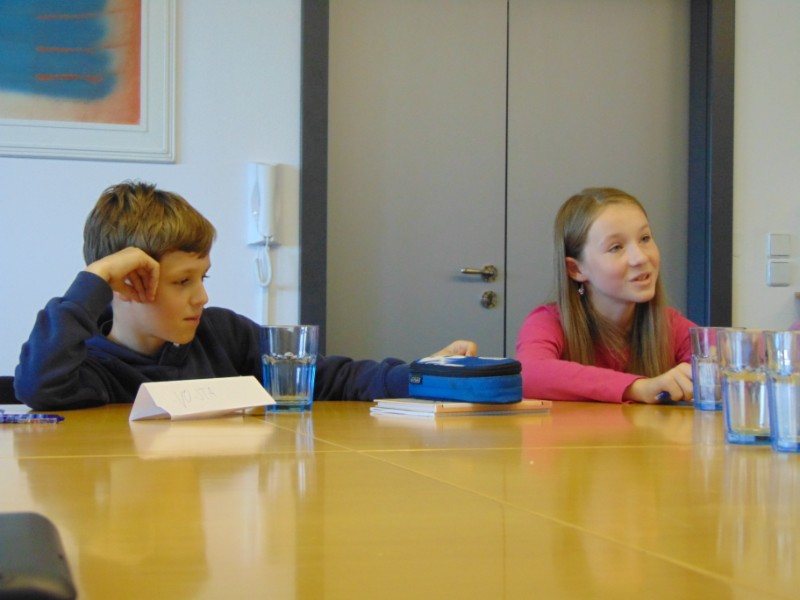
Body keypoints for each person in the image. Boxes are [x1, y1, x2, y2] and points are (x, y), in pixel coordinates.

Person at [14, 181, 476, 410]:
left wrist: (421, 377)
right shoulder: (89, 367)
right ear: (127, 283)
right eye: (182, 282)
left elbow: (329, 378)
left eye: (203, 278)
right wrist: (94, 279)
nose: (201, 297)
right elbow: (37, 387)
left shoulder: (223, 334)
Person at [515, 187, 695, 404]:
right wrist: (638, 388)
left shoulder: (671, 326)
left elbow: (722, 362)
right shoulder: (548, 322)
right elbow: (529, 373)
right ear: (575, 269)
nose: (640, 257)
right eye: (616, 247)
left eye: (645, 238)